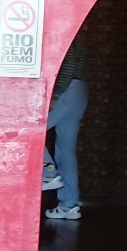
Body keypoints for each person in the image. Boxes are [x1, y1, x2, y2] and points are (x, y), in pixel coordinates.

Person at [42, 30, 88, 220]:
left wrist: (55, 94)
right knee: (66, 151)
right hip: (79, 90)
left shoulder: (65, 29)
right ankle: (69, 205)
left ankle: (47, 172)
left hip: (66, 90)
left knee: (32, 133)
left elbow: (68, 63)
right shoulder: (78, 32)